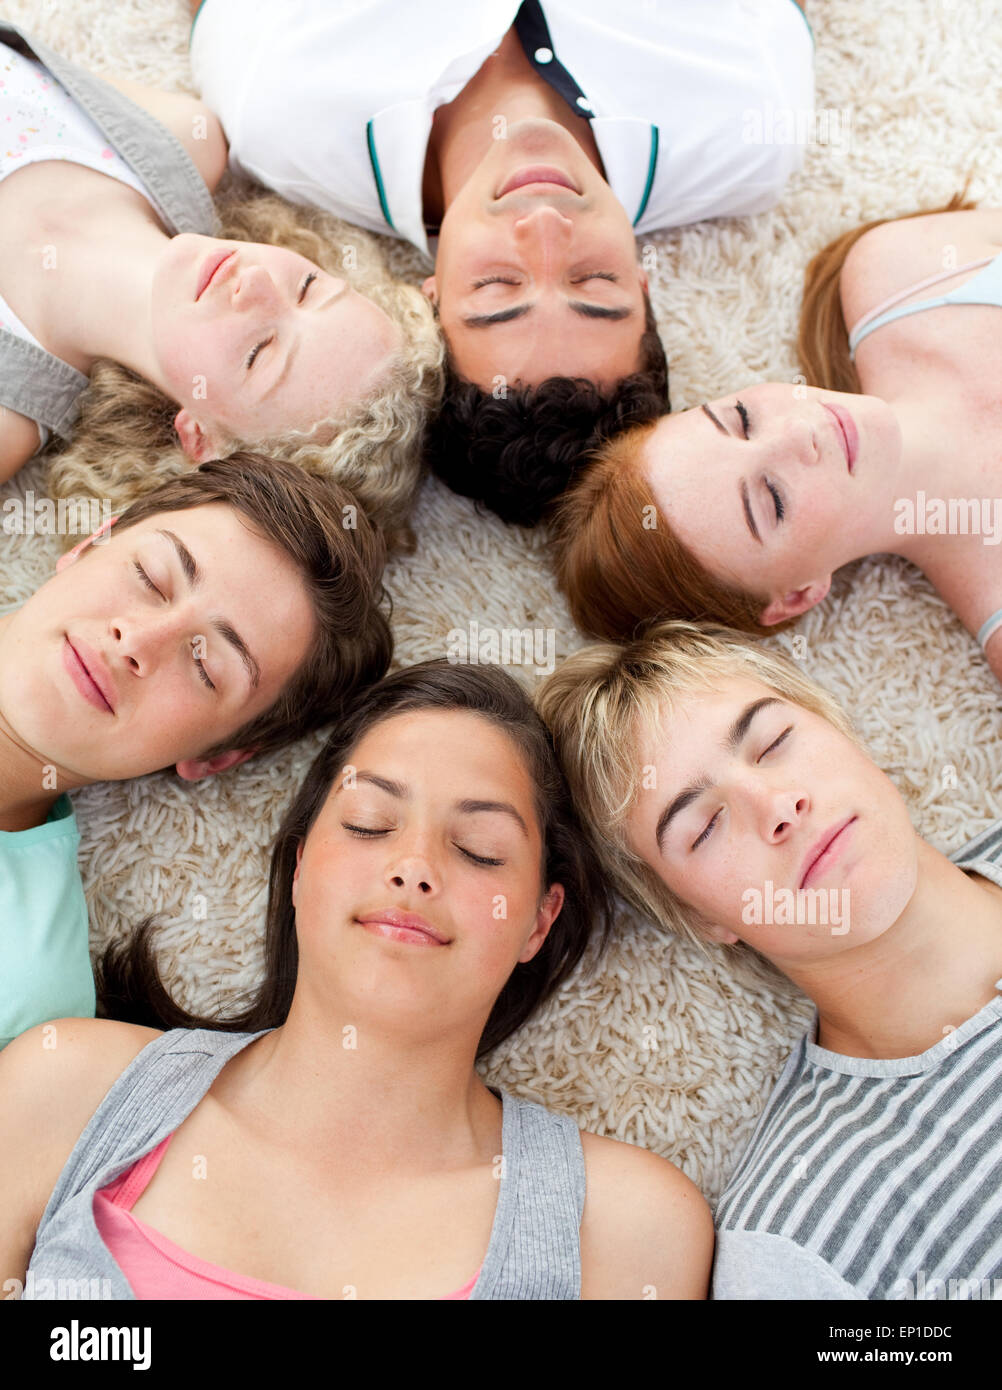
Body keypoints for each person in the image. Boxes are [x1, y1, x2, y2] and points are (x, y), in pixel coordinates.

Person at [2, 662, 713, 1300]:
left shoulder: (622, 1229)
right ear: (303, 864)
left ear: (538, 921)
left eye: (479, 851)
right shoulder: (66, 1090)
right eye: (370, 824)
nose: (414, 867)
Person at [188, 0, 814, 525]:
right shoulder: (750, 123)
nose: (545, 225)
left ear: (425, 297)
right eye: (595, 280)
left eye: (496, 287)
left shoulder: (275, 107)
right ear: (645, 285)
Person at [537, 619, 1002, 1299]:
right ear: (701, 916)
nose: (776, 807)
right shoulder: (810, 1247)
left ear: (842, 729)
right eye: (705, 826)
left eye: (774, 742)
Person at [0, 454, 392, 1049]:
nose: (138, 641)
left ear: (217, 756)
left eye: (207, 666)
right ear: (89, 543)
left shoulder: (32, 997)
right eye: (152, 578)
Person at [0, 22, 442, 545]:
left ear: (200, 439)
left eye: (260, 353)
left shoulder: (8, 419)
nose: (254, 282)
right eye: (306, 286)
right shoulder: (183, 138)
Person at [552, 199, 1002, 688]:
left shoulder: (902, 272)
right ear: (795, 596)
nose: (799, 432)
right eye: (773, 499)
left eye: (742, 420)